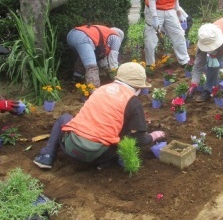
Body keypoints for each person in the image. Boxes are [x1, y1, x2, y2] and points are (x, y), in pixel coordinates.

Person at [33, 62, 166, 170]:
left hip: (70, 146)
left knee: (64, 118)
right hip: (96, 155)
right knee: (128, 137)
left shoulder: (101, 89)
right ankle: (113, 162)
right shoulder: (133, 102)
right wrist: (155, 135)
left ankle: (47, 155)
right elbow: (140, 140)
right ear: (138, 87)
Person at [143, 0, 197, 67]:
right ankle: (150, 65)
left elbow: (175, 0)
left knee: (179, 34)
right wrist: (154, 18)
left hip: (169, 9)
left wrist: (179, 14)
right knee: (151, 40)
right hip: (154, 9)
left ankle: (184, 61)